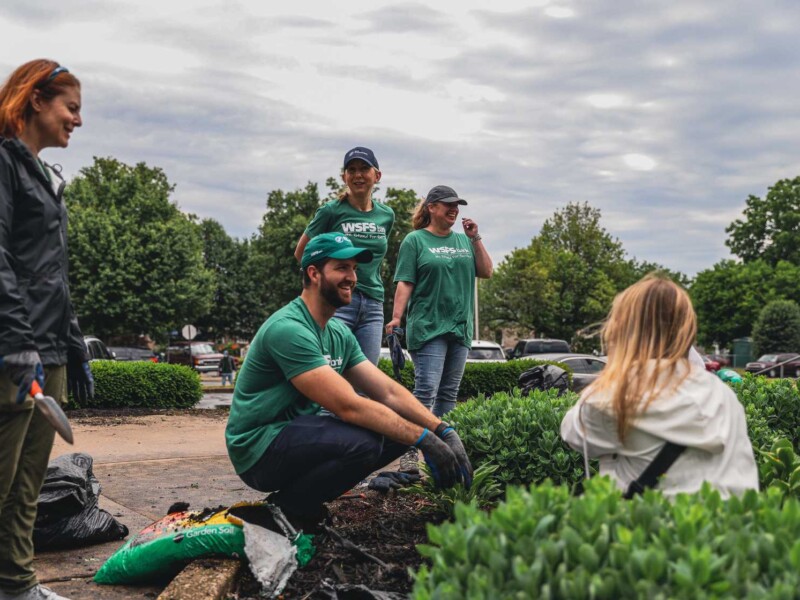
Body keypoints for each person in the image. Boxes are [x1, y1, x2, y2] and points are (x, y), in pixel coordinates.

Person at [226, 233, 473, 529]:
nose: (352, 277)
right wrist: (424, 440)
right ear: (314, 273)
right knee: (363, 442)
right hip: (258, 447)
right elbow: (348, 406)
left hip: (292, 437)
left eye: (354, 269)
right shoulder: (289, 329)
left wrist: (441, 430)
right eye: (342, 268)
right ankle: (287, 509)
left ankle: (299, 501)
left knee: (396, 430)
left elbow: (388, 391)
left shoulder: (337, 333)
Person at [0, 60, 94, 600]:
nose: (77, 121)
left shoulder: (45, 175)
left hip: (49, 349)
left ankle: (15, 583)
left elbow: (49, 274)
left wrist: (73, 340)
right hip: (15, 352)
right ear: (36, 100)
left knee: (27, 483)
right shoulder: (4, 165)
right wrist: (16, 344)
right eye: (71, 107)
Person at [560, 275, 758, 499]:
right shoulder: (724, 396)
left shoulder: (613, 396)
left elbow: (572, 433)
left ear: (622, 332)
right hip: (728, 527)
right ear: (687, 330)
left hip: (648, 530)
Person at [386, 185, 492, 471]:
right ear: (431, 207)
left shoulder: (463, 240)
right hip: (429, 327)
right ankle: (408, 452)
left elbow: (486, 271)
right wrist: (396, 318)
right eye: (448, 204)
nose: (454, 209)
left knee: (448, 394)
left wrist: (475, 238)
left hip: (459, 328)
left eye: (457, 205)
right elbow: (405, 281)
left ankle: (442, 456)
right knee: (425, 393)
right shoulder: (415, 240)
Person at [294, 147, 394, 365]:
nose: (358, 174)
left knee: (365, 379)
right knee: (332, 375)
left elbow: (375, 256)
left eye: (364, 169)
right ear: (344, 177)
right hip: (338, 303)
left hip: (373, 304)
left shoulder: (386, 215)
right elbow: (302, 252)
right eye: (352, 169)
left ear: (377, 175)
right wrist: (322, 287)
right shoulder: (331, 211)